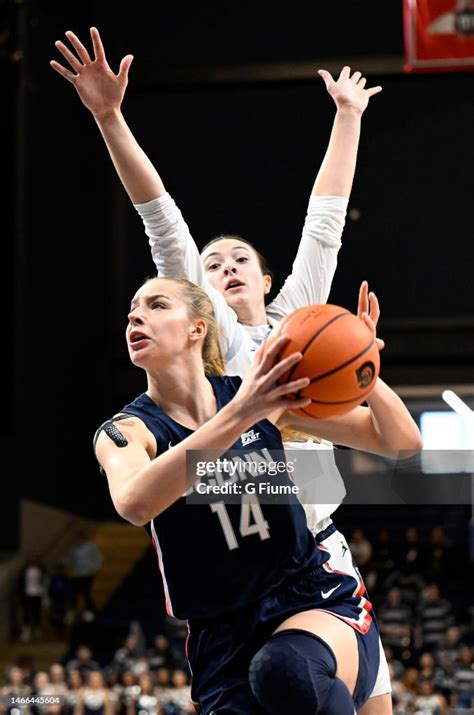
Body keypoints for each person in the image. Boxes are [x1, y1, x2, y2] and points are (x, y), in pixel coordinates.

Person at [51, 31, 397, 712]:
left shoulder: (299, 327)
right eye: (212, 264)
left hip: (315, 558)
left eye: (242, 258)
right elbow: (161, 218)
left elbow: (324, 223)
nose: (227, 265)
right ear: (198, 300)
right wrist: (109, 118)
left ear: (269, 280)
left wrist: (348, 118)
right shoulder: (204, 348)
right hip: (234, 567)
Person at [94, 275, 422, 715]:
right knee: (276, 673)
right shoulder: (128, 431)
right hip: (222, 638)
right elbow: (135, 503)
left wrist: (360, 362)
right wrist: (241, 413)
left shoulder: (263, 401)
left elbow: (401, 442)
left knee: (285, 668)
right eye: (133, 308)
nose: (135, 315)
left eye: (156, 305)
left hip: (311, 600)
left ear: (198, 329)